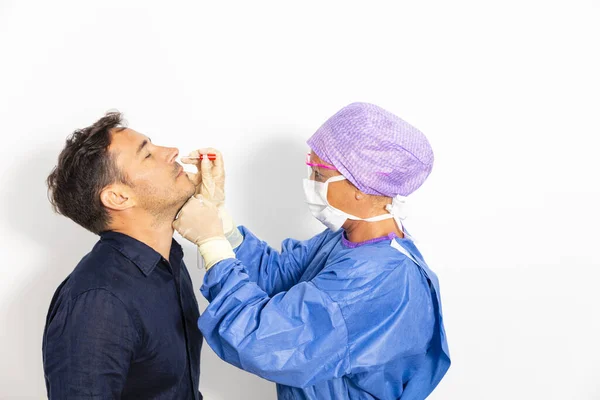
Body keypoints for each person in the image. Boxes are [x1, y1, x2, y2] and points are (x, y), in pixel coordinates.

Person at [174, 102, 451, 399]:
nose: (310, 184)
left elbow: (263, 339)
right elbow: (277, 278)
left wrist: (212, 243)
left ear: (362, 186)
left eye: (319, 175)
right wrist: (220, 221)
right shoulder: (347, 240)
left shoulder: (377, 280)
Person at [43, 112, 203, 399]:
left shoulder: (169, 264)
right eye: (147, 155)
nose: (172, 152)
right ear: (118, 197)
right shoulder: (98, 302)